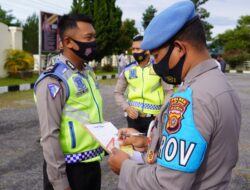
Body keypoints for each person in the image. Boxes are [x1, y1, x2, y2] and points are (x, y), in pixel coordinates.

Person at [108, 1, 241, 189]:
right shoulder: (218, 84)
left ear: (179, 49)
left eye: (157, 56)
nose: (155, 63)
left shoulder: (193, 98)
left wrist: (125, 167)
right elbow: (198, 150)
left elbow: (167, 184)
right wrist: (148, 142)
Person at [34, 14, 105, 190]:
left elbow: (89, 115)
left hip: (92, 165)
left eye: (94, 36)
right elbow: (49, 136)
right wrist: (60, 183)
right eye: (88, 38)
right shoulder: (53, 79)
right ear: (68, 42)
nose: (93, 42)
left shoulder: (87, 72)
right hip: (70, 171)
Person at [114, 34, 172, 134]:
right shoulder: (127, 69)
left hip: (154, 119)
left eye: (138, 49)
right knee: (134, 148)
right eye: (133, 49)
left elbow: (169, 91)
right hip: (133, 120)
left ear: (148, 50)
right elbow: (118, 93)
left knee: (152, 148)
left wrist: (162, 112)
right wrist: (126, 107)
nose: (135, 52)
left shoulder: (159, 68)